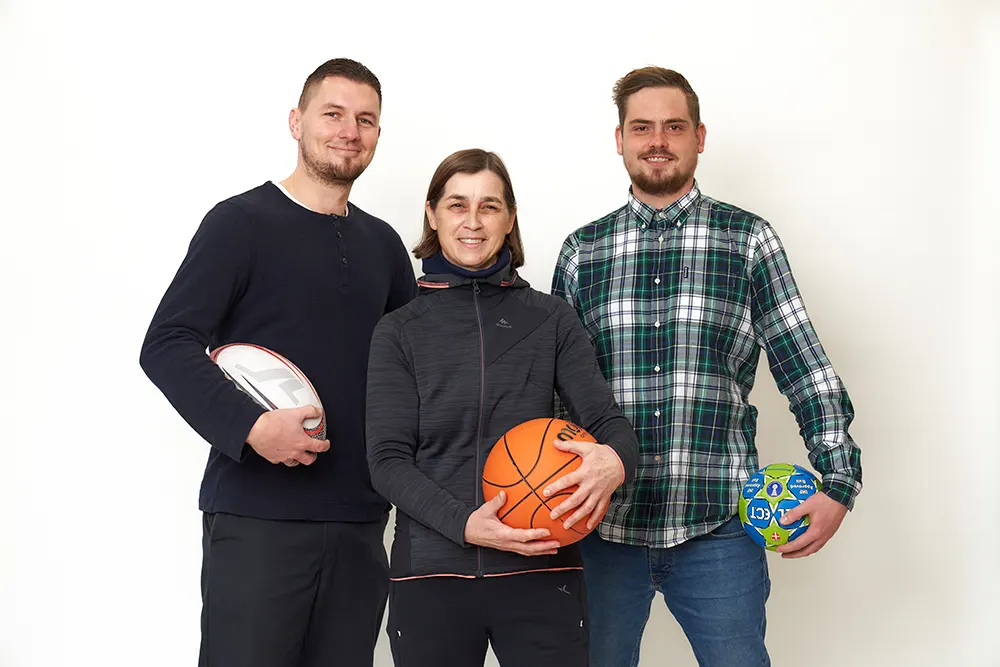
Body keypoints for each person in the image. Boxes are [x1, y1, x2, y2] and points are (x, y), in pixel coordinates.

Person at [550, 67, 863, 666]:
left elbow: (805, 366)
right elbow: (555, 395)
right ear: (619, 139)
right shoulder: (581, 251)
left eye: (674, 126)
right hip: (603, 530)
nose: (657, 140)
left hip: (718, 527)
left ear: (699, 136)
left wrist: (839, 482)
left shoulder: (748, 241)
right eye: (642, 127)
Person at [139, 58, 417, 667]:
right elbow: (166, 343)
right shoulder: (240, 223)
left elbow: (415, 371)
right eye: (333, 114)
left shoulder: (385, 246)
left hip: (362, 520)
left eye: (365, 119)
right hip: (258, 516)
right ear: (297, 122)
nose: (349, 131)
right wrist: (252, 427)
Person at [365, 148, 641, 667]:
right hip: (432, 576)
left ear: (510, 218)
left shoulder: (551, 318)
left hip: (544, 571)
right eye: (457, 205)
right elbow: (386, 461)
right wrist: (466, 524)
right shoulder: (398, 330)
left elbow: (610, 425)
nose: (472, 222)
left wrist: (616, 460)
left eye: (489, 206)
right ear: (432, 214)